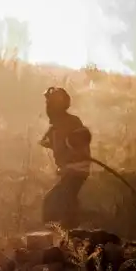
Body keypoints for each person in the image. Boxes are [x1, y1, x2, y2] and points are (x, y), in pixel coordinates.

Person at [39, 86, 92, 228]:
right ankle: (69, 232)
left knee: (53, 202)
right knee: (65, 200)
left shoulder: (71, 122)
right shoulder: (56, 126)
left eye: (49, 104)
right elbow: (49, 141)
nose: (47, 108)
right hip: (70, 171)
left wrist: (69, 146)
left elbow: (81, 139)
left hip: (76, 171)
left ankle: (62, 235)